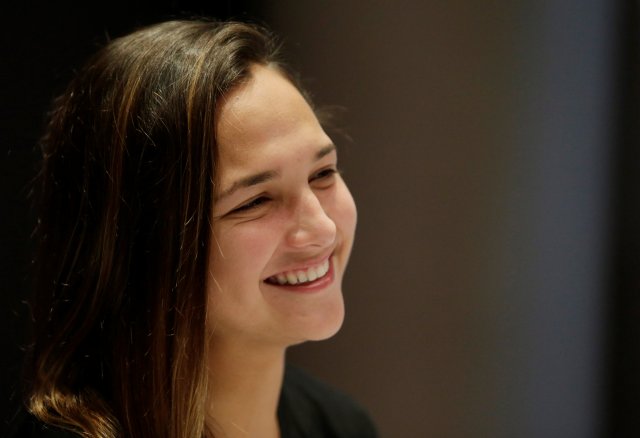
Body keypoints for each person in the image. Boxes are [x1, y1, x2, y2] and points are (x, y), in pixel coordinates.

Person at [7, 17, 377, 438]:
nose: (323, 229)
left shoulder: (341, 425)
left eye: (323, 174)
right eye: (255, 201)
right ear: (140, 243)